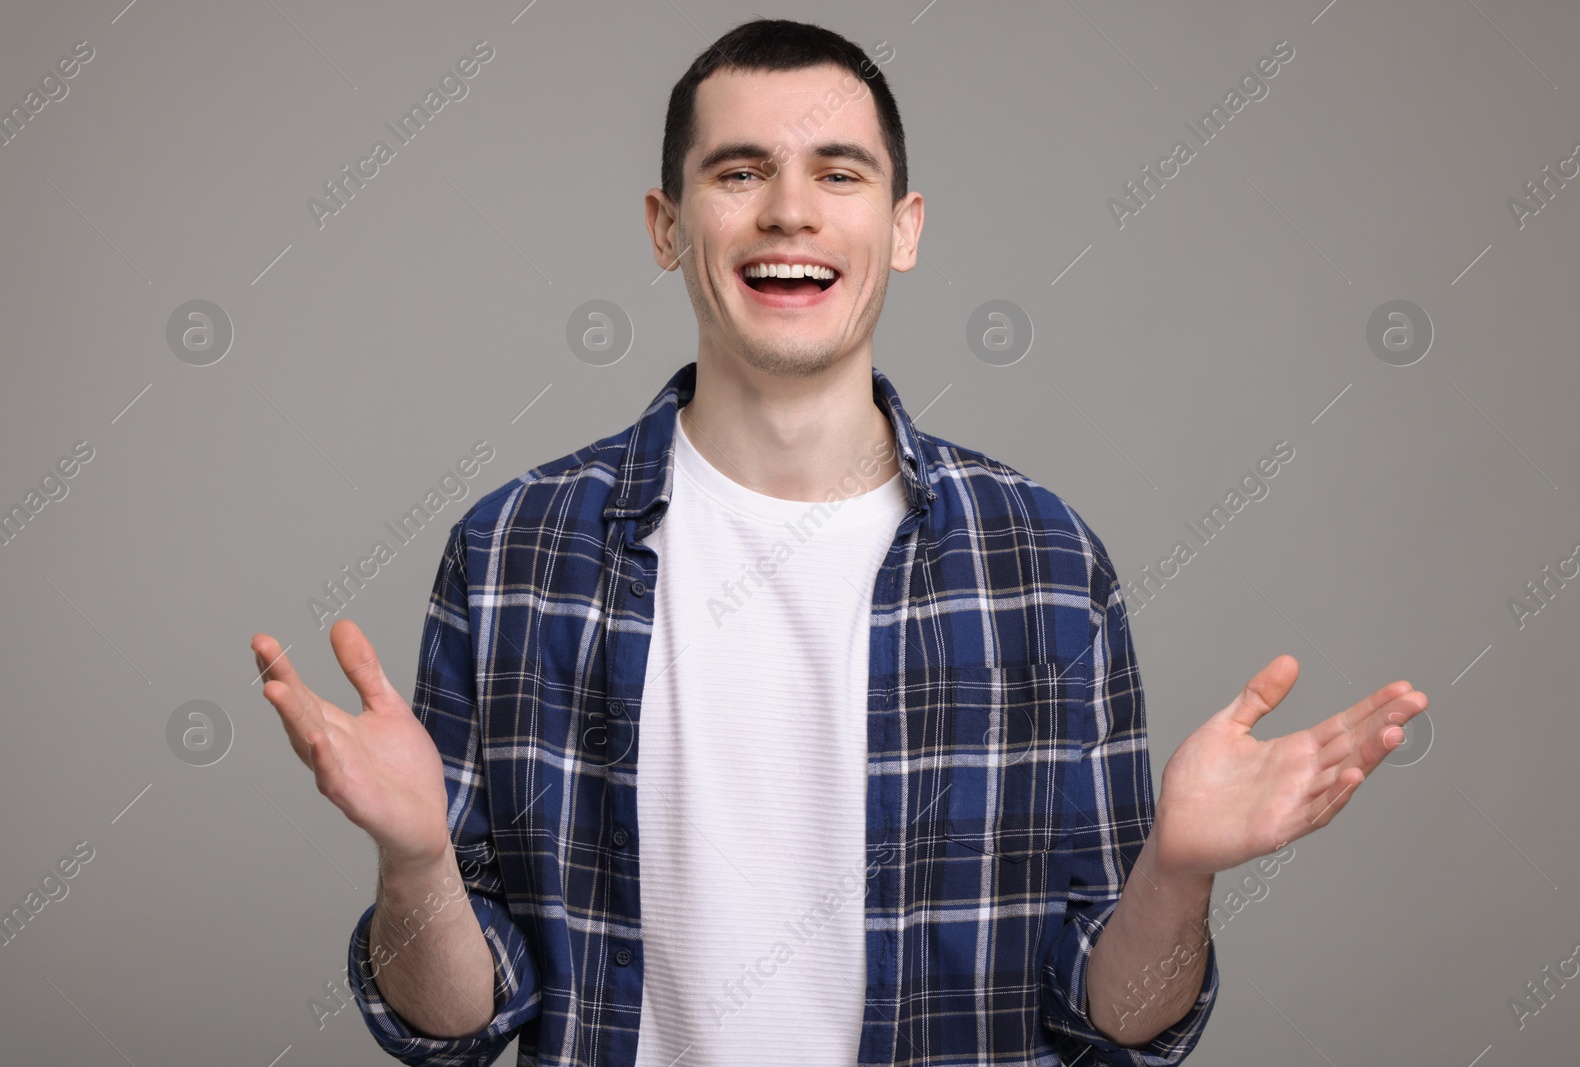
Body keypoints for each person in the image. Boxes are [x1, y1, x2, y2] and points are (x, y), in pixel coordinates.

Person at [250, 17, 1428, 1067]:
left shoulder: (1044, 564)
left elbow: (1114, 1022)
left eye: (839, 172)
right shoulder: (513, 555)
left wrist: (1177, 874)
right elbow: (455, 1025)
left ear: (902, 227)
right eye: (739, 170)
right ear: (667, 226)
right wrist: (415, 863)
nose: (789, 210)